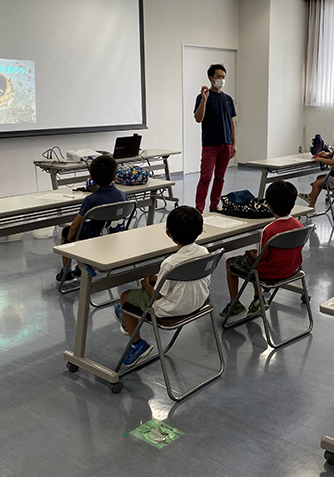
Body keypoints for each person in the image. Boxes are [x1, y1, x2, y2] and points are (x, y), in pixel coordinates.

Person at [113, 206, 210, 369]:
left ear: (168, 234)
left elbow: (156, 296)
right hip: (199, 303)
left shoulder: (170, 263)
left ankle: (137, 344)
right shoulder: (204, 252)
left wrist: (145, 284)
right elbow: (185, 276)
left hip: (171, 309)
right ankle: (126, 320)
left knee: (124, 299)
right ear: (201, 231)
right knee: (130, 304)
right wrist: (161, 278)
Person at [221, 180, 304, 318]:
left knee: (231, 262)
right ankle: (256, 300)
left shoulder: (269, 230)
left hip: (270, 273)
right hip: (292, 269)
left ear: (269, 205)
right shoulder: (299, 224)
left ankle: (234, 303)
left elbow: (261, 259)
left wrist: (253, 255)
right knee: (253, 262)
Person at [58, 155, 126, 282]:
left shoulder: (91, 200)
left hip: (94, 241)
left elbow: (75, 226)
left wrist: (70, 238)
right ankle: (80, 266)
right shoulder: (122, 195)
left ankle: (66, 272)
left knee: (66, 232)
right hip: (115, 237)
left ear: (91, 178)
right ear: (115, 177)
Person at [194, 63, 237, 212]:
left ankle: (214, 206)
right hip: (210, 144)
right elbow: (198, 118)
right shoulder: (203, 97)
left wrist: (233, 144)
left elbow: (232, 123)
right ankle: (199, 209)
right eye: (218, 76)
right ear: (210, 78)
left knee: (220, 177)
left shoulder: (228, 99)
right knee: (205, 178)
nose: (221, 79)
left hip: (226, 144)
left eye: (223, 77)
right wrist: (204, 100)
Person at [298, 128, 334, 208]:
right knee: (319, 177)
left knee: (316, 184)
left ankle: (311, 206)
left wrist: (321, 159)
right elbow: (332, 154)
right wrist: (326, 154)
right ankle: (310, 196)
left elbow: (333, 162)